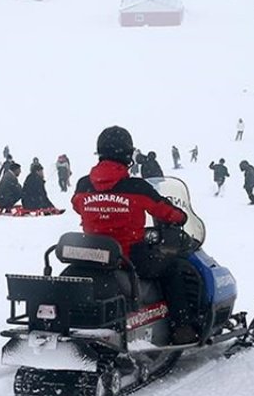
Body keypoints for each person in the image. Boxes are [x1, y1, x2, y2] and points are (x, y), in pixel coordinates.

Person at [72, 126, 198, 343]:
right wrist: (180, 217)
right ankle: (182, 327)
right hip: (128, 259)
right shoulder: (137, 187)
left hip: (93, 258)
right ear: (128, 155)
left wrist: (101, 212)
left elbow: (76, 205)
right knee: (175, 268)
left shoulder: (84, 185)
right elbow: (169, 213)